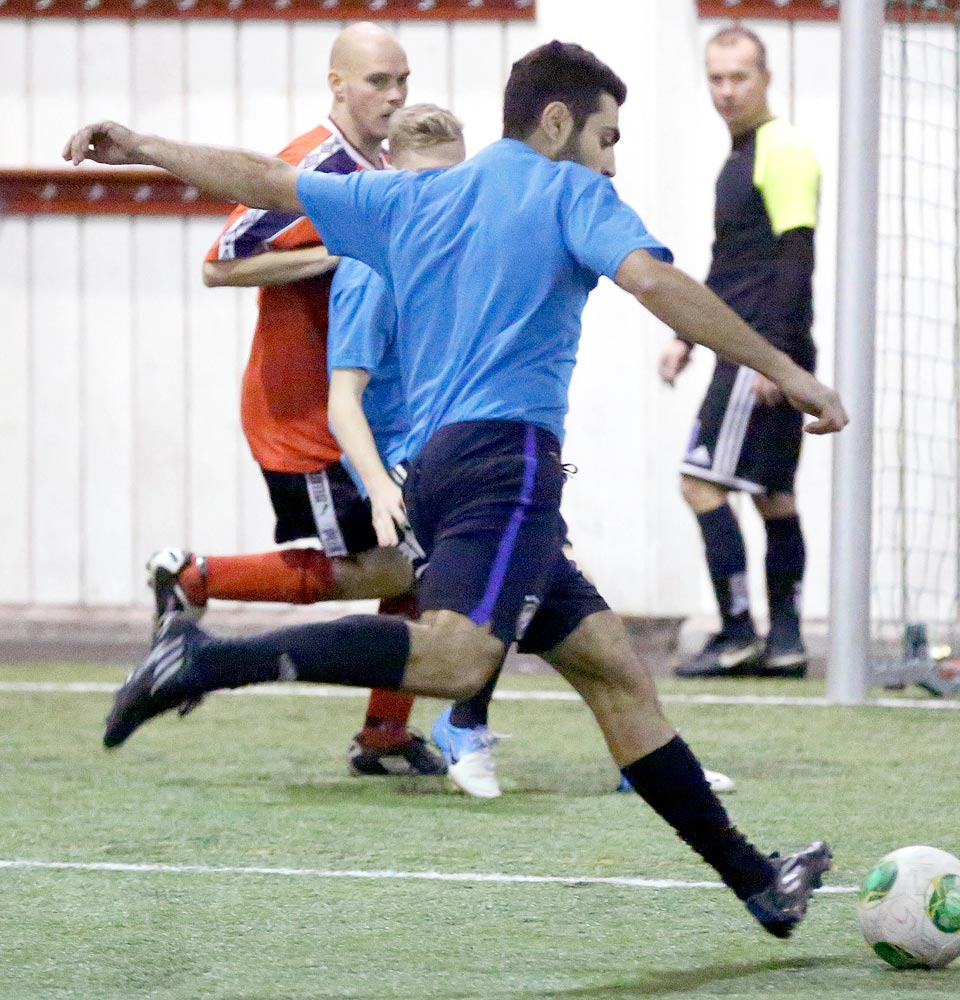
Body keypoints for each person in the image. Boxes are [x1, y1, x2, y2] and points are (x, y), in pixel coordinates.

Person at [69, 40, 845, 937]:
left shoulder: (416, 195)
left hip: (436, 473)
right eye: (606, 136)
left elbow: (265, 181)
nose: (612, 158)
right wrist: (787, 371)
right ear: (556, 124)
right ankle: (202, 660)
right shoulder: (568, 191)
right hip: (505, 463)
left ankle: (760, 884)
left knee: (615, 673)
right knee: (455, 659)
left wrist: (144, 143)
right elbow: (658, 283)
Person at [147, 23, 444, 778]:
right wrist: (344, 250)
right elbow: (221, 264)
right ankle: (195, 579)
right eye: (380, 80)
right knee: (376, 570)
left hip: (360, 415)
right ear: (338, 84)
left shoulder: (379, 167)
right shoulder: (310, 164)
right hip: (303, 414)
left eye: (403, 79)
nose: (396, 95)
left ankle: (384, 735)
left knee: (415, 563)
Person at [323, 102, 514, 796]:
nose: (438, 197)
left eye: (452, 182)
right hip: (406, 462)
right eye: (423, 181)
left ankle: (636, 758)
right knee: (500, 588)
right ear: (390, 177)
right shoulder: (373, 269)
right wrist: (380, 486)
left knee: (539, 583)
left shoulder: (461, 251)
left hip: (457, 448)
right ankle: (460, 725)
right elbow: (343, 399)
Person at [659, 26, 821, 679]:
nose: (726, 91)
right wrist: (684, 336)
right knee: (772, 496)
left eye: (739, 77)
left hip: (759, 350)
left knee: (699, 484)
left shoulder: (782, 151)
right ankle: (785, 643)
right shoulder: (742, 155)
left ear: (767, 78)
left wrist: (771, 358)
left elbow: (795, 260)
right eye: (716, 78)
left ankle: (737, 635)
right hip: (765, 346)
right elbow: (732, 264)